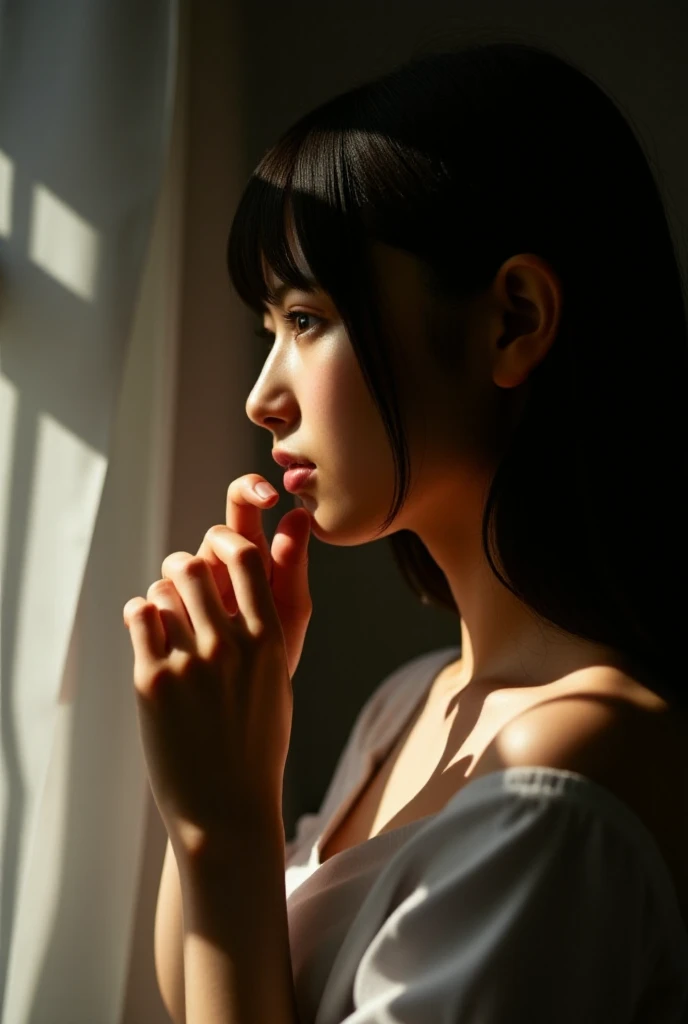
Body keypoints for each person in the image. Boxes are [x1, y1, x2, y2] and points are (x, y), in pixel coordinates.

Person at [156, 39, 688, 1024]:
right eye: (269, 324)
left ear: (512, 321)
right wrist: (217, 778)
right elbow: (203, 992)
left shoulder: (562, 785)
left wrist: (223, 826)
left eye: (308, 318)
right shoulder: (411, 703)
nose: (262, 396)